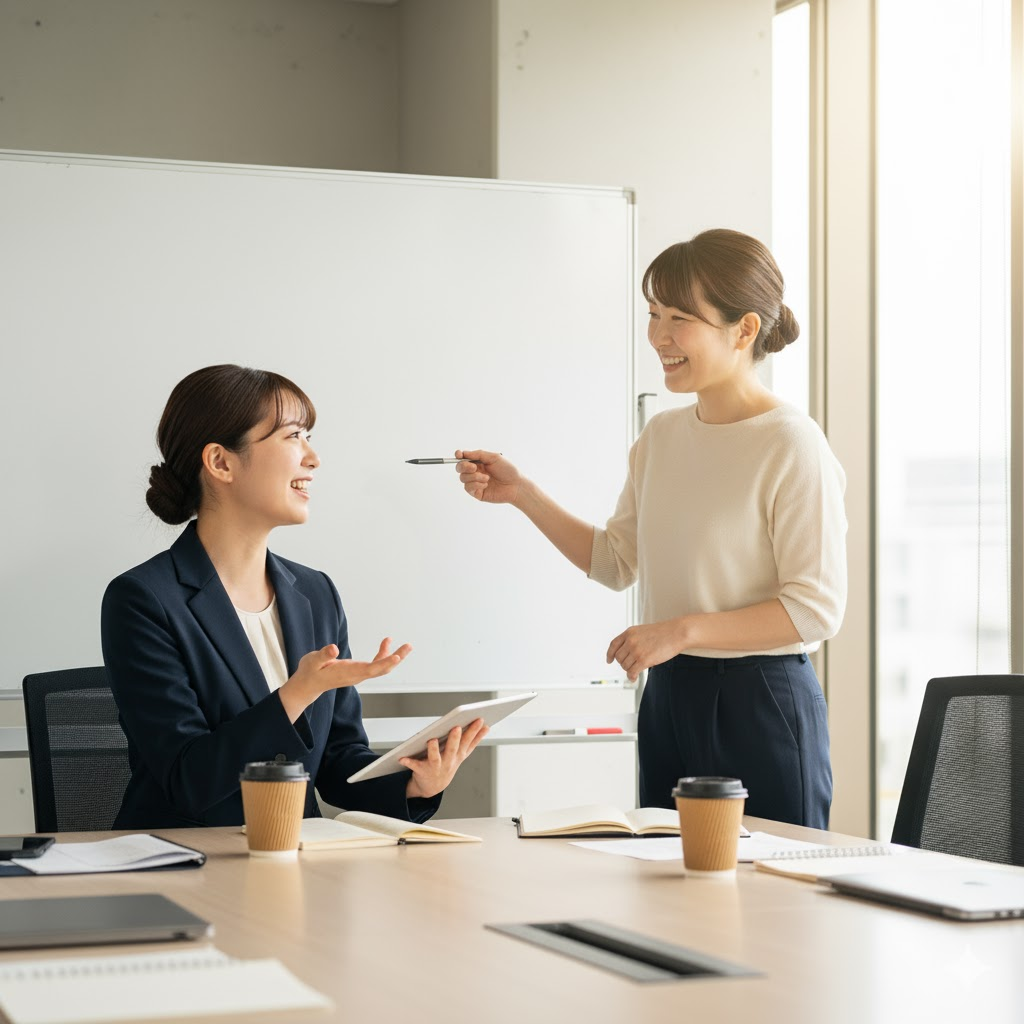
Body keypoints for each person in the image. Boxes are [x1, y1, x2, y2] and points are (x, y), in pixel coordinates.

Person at [454, 229, 846, 828]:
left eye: (680, 317)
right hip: (670, 695)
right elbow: (615, 562)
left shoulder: (792, 443)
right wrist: (522, 495)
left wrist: (678, 631)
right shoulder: (660, 438)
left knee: (770, 902)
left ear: (743, 330)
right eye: (654, 314)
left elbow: (815, 610)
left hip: (761, 697)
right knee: (667, 887)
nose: (659, 336)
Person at [102, 364, 487, 829]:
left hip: (293, 867)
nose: (313, 459)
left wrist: (414, 784)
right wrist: (298, 692)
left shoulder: (314, 593)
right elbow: (189, 780)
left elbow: (337, 764)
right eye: (293, 437)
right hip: (184, 869)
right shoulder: (143, 600)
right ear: (221, 463)